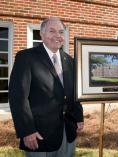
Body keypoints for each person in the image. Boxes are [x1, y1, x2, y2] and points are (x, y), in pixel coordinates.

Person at [9, 17, 84, 157]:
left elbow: (74, 92)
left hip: (67, 133)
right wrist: (27, 131)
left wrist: (79, 117)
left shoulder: (70, 61)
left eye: (61, 32)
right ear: (41, 34)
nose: (58, 35)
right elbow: (18, 98)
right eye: (52, 31)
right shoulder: (26, 58)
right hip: (38, 135)